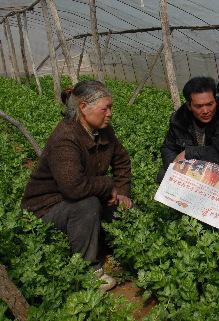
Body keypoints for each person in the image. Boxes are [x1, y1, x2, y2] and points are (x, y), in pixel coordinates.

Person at [21, 80, 132, 292]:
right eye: (105, 108)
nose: (110, 113)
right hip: (47, 208)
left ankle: (112, 246)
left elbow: (122, 161)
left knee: (125, 209)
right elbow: (73, 187)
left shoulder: (103, 130)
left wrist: (123, 192)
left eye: (111, 107)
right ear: (83, 107)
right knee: (87, 205)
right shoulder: (66, 138)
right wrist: (108, 184)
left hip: (81, 195)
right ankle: (89, 271)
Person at [158, 77, 219, 183]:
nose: (205, 111)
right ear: (189, 105)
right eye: (199, 106)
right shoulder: (179, 119)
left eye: (210, 104)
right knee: (163, 175)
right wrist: (174, 168)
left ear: (216, 101)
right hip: (192, 170)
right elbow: (168, 147)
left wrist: (190, 152)